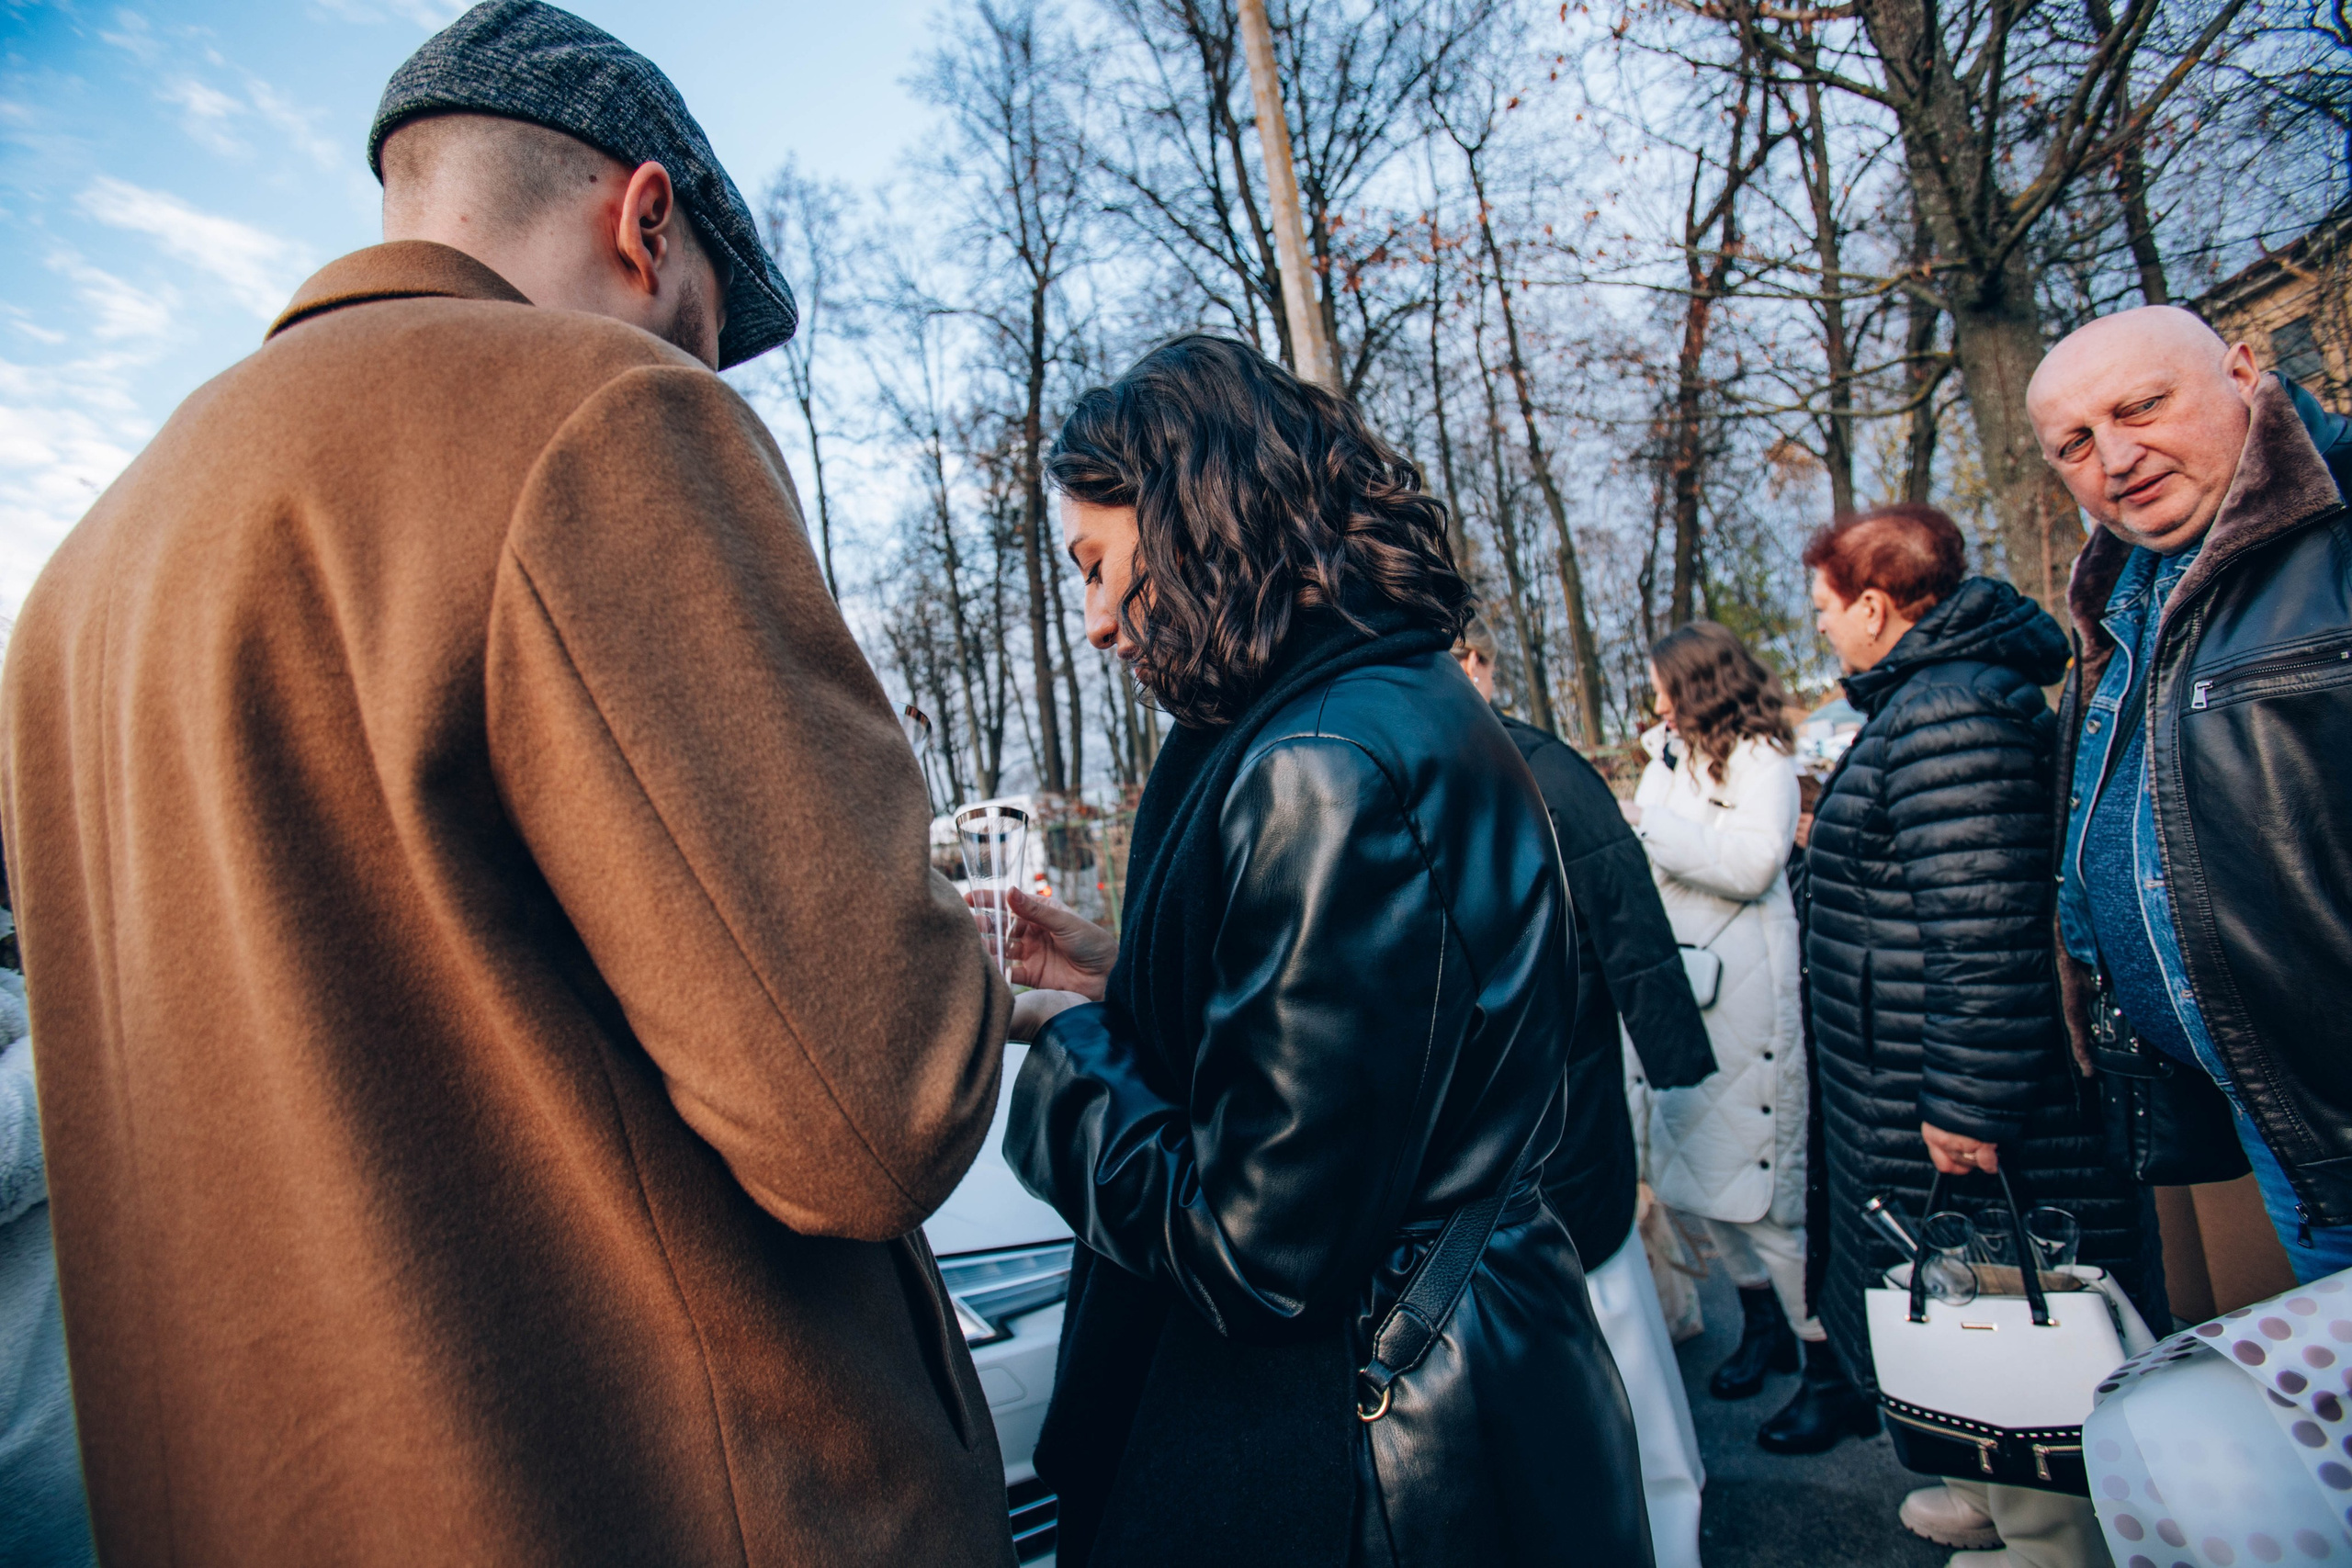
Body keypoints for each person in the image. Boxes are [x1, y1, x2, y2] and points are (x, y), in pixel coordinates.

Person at [0, 6, 1013, 1563]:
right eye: (699, 322)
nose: (694, 366)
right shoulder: (597, 415)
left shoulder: (80, 591)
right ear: (646, 220)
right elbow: (878, 1107)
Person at [989, 335, 1650, 1568]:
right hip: (1474, 1379)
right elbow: (1372, 1060)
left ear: (1192, 523)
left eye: (1096, 567)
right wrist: (1124, 978)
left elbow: (1258, 1251)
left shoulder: (1323, 761)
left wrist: (1066, 1045)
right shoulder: (1380, 700)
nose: (1089, 622)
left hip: (1382, 1452)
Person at [1801, 502, 2157, 1568]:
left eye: (1823, 608)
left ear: (1872, 606)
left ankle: (2047, 1530)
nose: (1818, 628)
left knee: (2001, 1291)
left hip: (1953, 1080)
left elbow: (1986, 929)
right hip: (1900, 1060)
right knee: (1951, 1278)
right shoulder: (1929, 699)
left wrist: (1966, 1099)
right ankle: (1986, 1480)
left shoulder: (1949, 712)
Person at [2030, 305, 2352, 1281]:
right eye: (2076, 443)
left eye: (2143, 406)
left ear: (2245, 371)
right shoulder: (2125, 591)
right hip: (2277, 1124)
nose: (2116, 458)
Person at [1453, 613, 1714, 1568]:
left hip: (1566, 1123)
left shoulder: (1540, 770)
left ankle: (1673, 1538)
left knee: (1623, 1348)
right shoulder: (1417, 770)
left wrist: (1670, 1049)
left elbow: (1623, 913)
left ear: (1476, 665)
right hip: (1486, 1152)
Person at [1621, 625, 1823, 1447]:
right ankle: (1760, 1325)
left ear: (1699, 683)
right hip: (1683, 991)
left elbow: (1751, 863)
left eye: (1664, 684)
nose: (1655, 699)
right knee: (1701, 1178)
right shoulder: (1668, 758)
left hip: (1743, 997)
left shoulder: (1763, 759)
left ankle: (1828, 1360)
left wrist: (1645, 826)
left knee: (1766, 1189)